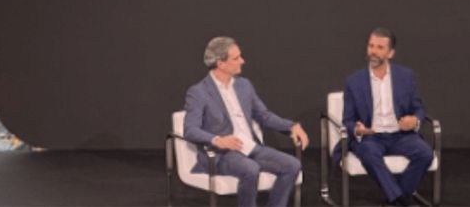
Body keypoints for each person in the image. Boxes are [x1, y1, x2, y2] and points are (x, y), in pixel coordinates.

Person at [183, 37, 309, 207]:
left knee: (292, 165)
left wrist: (291, 126)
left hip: (250, 148)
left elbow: (264, 115)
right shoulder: (198, 92)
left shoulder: (244, 85)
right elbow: (190, 129)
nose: (242, 61)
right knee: (250, 169)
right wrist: (217, 140)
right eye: (236, 58)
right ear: (221, 63)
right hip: (221, 154)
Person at [336, 28, 434, 207]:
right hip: (371, 137)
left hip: (400, 135)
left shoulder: (406, 76)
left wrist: (415, 120)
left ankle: (396, 199)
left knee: (426, 153)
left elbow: (418, 108)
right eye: (371, 46)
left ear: (390, 53)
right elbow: (347, 120)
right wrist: (357, 129)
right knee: (367, 153)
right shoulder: (353, 81)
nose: (373, 51)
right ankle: (401, 200)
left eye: (380, 47)